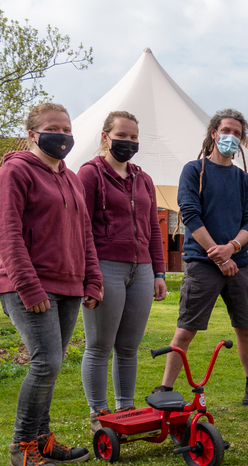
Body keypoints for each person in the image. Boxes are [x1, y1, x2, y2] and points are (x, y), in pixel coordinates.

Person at [153, 109, 248, 412]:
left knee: (245, 328)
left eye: (237, 134)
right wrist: (218, 253)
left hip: (239, 263)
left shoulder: (244, 179)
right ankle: (165, 390)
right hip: (202, 263)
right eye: (227, 130)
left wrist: (233, 247)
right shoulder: (193, 171)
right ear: (213, 133)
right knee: (186, 329)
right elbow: (189, 213)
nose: (231, 137)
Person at [0, 103, 102, 466]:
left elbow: (85, 234)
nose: (62, 135)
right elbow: (8, 233)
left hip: (69, 284)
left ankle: (42, 439)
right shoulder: (15, 171)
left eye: (66, 128)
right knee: (46, 361)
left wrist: (92, 279)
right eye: (52, 128)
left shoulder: (72, 178)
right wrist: (28, 285)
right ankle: (21, 446)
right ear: (32, 133)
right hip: (28, 283)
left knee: (52, 363)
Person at [78, 111, 167, 434]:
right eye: (122, 136)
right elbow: (81, 227)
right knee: (100, 344)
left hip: (141, 268)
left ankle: (125, 409)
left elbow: (153, 230)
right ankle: (98, 414)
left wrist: (159, 271)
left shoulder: (143, 179)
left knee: (129, 346)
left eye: (133, 137)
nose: (128, 142)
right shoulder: (89, 174)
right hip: (105, 266)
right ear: (106, 137)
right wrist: (89, 274)